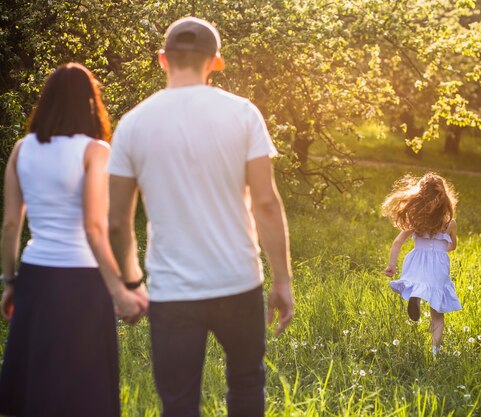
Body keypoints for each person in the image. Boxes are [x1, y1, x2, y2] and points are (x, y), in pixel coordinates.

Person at [107, 17, 294, 417]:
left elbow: (118, 221)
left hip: (173, 292)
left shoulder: (132, 124)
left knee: (178, 402)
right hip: (238, 283)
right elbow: (266, 202)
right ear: (216, 63)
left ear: (162, 60)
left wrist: (131, 282)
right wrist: (282, 280)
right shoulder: (244, 114)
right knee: (247, 387)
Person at [0, 63, 148, 417]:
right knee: (84, 392)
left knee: (38, 389)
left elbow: (9, 226)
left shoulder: (22, 149)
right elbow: (95, 228)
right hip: (82, 282)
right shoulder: (96, 150)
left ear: (46, 101)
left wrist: (9, 283)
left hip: (35, 277)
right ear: (90, 103)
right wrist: (121, 291)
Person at [382, 172, 461, 357]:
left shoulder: (417, 221)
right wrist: (440, 249)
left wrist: (391, 265)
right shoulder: (450, 224)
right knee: (437, 313)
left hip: (417, 262)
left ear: (419, 198)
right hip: (438, 267)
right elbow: (453, 246)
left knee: (417, 284)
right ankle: (435, 352)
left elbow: (397, 242)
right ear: (445, 200)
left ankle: (415, 297)